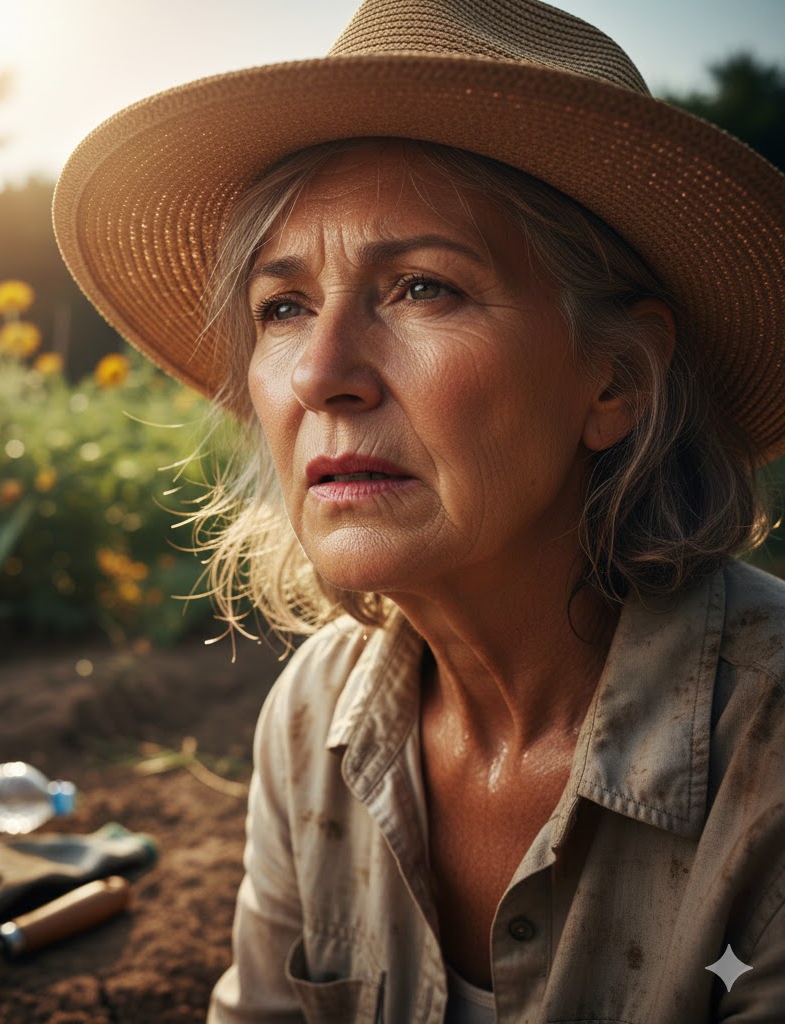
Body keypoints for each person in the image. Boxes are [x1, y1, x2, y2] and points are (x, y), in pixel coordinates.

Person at [53, 0, 785, 1019]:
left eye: (421, 288)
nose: (320, 373)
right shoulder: (314, 718)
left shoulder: (766, 743)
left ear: (614, 381)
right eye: (283, 305)